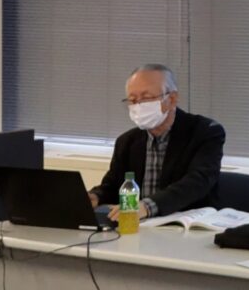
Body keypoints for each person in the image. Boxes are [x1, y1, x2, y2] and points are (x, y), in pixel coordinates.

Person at [88, 64, 225, 221]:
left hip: (189, 225)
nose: (138, 106)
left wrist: (147, 206)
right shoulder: (126, 141)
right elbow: (113, 186)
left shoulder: (205, 132)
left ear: (172, 99)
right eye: (132, 100)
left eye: (146, 98)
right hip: (140, 226)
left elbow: (197, 182)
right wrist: (96, 196)